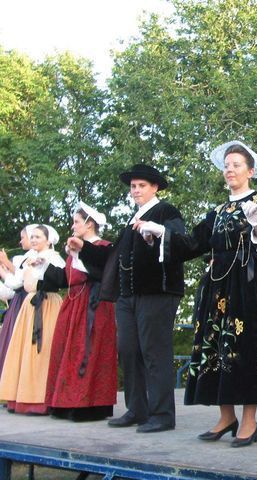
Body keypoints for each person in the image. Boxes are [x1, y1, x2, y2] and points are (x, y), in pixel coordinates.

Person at [138, 141, 257, 447]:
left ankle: (249, 420)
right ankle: (226, 415)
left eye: (236, 165)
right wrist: (161, 230)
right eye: (226, 165)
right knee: (217, 345)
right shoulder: (216, 212)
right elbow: (192, 244)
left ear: (251, 171)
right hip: (219, 284)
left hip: (251, 281)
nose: (229, 170)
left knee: (248, 346)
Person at [67, 164, 185, 433]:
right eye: (133, 186)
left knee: (155, 352)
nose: (136, 190)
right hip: (128, 295)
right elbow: (112, 259)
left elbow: (179, 240)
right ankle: (137, 409)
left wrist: (155, 228)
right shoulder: (131, 220)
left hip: (157, 292)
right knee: (129, 351)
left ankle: (162, 414)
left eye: (141, 186)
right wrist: (83, 247)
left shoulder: (166, 211)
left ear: (154, 187)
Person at [44, 202, 118, 421]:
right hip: (74, 302)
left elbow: (102, 273)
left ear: (90, 224)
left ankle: (89, 404)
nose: (73, 226)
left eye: (77, 222)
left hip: (94, 302)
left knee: (88, 350)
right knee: (67, 350)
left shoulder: (104, 246)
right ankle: (65, 402)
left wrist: (79, 255)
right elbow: (67, 278)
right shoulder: (74, 248)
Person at [0, 225, 65, 414]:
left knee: (44, 350)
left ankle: (43, 399)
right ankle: (25, 397)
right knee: (26, 350)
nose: (34, 240)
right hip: (30, 305)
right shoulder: (27, 259)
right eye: (33, 237)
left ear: (48, 239)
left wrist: (45, 263)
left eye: (38, 237)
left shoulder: (54, 258)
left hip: (48, 304)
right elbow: (16, 282)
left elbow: (63, 279)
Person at [0, 225, 37, 376]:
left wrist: (5, 265)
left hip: (27, 303)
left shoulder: (31, 258)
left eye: (23, 237)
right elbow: (8, 292)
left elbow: (17, 283)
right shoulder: (22, 258)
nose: (20, 242)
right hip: (18, 303)